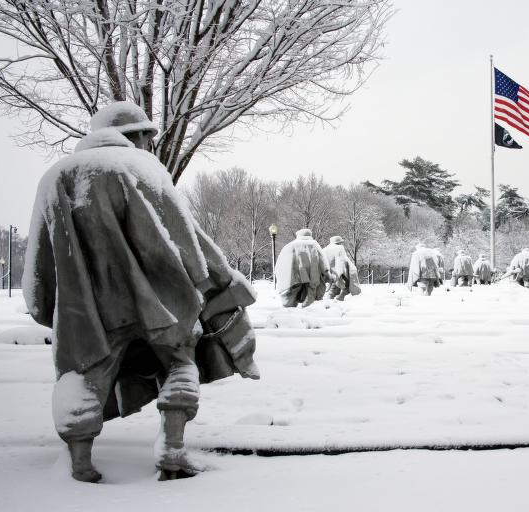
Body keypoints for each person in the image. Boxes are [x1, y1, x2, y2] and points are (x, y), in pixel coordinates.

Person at [23, 102, 259, 483]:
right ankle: (173, 446)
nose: (149, 144)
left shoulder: (54, 178)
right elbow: (186, 237)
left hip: (89, 308)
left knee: (83, 375)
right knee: (180, 363)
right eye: (147, 137)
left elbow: (40, 257)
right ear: (135, 136)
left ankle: (80, 461)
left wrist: (46, 305)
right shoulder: (145, 169)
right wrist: (218, 278)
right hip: (162, 302)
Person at [275, 228, 334, 307]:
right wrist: (328, 275)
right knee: (310, 297)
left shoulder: (289, 246)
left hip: (294, 278)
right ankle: (307, 312)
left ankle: (289, 314)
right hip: (312, 277)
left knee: (290, 301)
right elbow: (323, 262)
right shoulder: (314, 244)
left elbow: (280, 264)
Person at [322, 236, 361, 301]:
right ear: (338, 242)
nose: (341, 244)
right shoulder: (339, 248)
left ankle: (330, 297)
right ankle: (340, 297)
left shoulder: (324, 250)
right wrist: (339, 274)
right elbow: (340, 261)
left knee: (335, 286)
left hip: (330, 272)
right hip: (339, 272)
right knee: (347, 285)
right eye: (341, 242)